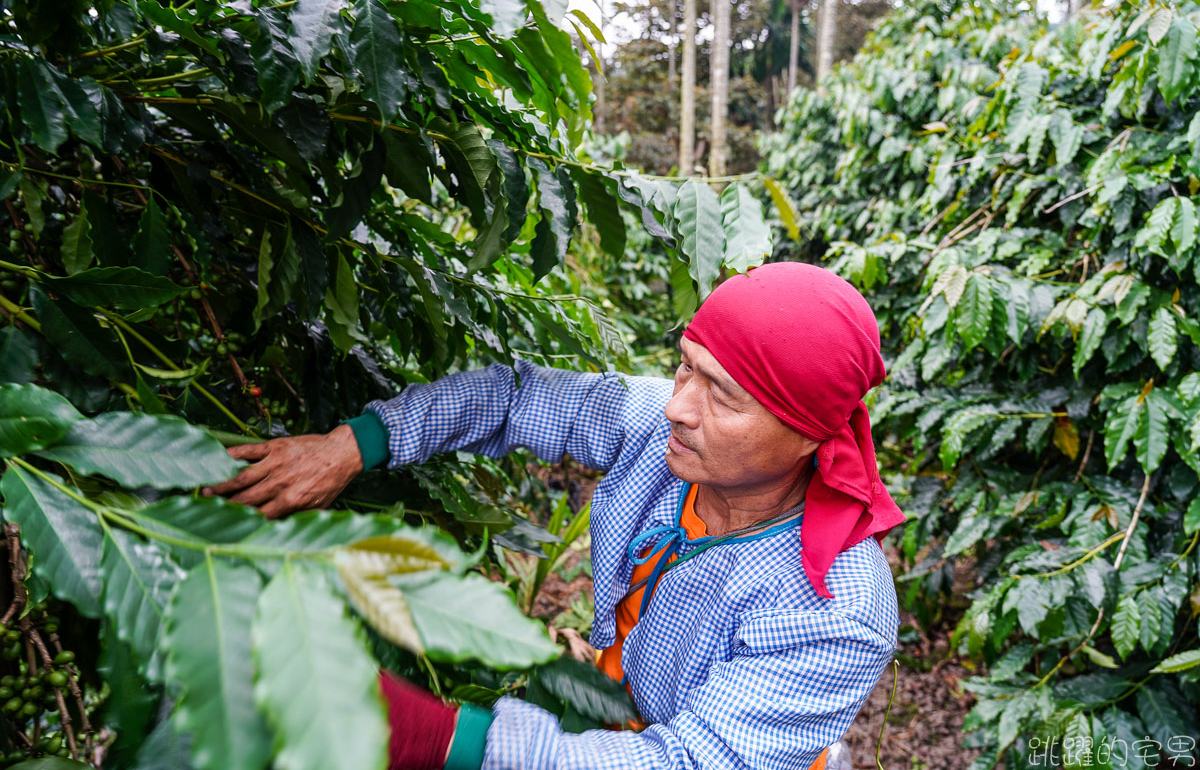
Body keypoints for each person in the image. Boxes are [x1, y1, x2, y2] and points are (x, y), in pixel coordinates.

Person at [203, 262, 906, 770]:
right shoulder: (666, 437)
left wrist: (442, 739)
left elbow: (688, 761)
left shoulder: (834, 610)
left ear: (810, 431)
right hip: (611, 706)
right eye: (686, 366)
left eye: (721, 395)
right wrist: (354, 444)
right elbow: (516, 399)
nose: (677, 406)